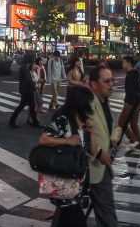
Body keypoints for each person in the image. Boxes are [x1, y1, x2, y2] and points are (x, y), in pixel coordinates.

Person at [39, 86, 97, 227]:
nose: (91, 105)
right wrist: (67, 140)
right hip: (64, 186)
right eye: (89, 101)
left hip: (79, 185)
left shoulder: (84, 122)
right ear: (80, 102)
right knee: (77, 221)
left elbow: (93, 153)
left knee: (63, 221)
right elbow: (44, 139)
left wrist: (91, 132)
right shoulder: (63, 120)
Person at [87, 66, 119, 227]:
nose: (111, 84)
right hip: (88, 168)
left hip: (101, 168)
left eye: (112, 80)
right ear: (93, 84)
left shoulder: (104, 102)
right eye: (106, 81)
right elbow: (82, 136)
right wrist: (99, 154)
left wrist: (113, 141)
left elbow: (106, 129)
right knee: (68, 213)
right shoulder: (87, 103)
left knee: (106, 214)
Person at [120, 56, 140, 152]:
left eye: (123, 63)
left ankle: (133, 141)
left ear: (128, 63)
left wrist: (127, 104)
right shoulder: (135, 74)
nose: (122, 64)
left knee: (121, 122)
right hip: (138, 103)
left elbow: (130, 92)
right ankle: (138, 146)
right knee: (134, 124)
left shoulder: (130, 75)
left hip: (131, 103)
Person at [9, 54, 41, 128]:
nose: (33, 60)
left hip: (26, 90)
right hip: (26, 90)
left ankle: (13, 120)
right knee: (27, 105)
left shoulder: (25, 67)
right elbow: (28, 80)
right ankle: (13, 120)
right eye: (33, 59)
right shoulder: (25, 68)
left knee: (29, 105)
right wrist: (34, 88)